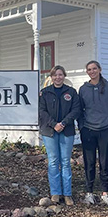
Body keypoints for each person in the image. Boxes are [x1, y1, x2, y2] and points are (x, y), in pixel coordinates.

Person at [39, 65, 81, 206]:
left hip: (66, 130)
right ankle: (55, 193)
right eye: (55, 75)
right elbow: (42, 111)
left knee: (65, 162)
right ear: (51, 77)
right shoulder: (44, 93)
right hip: (49, 131)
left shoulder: (71, 92)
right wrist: (53, 124)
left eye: (61, 74)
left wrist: (63, 123)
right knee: (52, 161)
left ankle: (67, 194)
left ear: (64, 76)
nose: (58, 77)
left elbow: (76, 110)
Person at [78, 60, 108, 206]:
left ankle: (105, 193)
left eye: (94, 68)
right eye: (89, 69)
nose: (92, 71)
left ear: (99, 69)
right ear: (87, 72)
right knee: (89, 162)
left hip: (105, 129)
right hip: (88, 129)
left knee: (105, 162)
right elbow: (80, 109)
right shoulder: (83, 89)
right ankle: (89, 192)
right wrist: (81, 126)